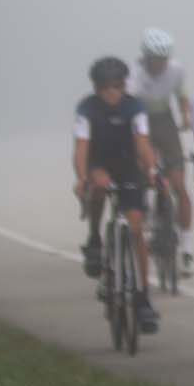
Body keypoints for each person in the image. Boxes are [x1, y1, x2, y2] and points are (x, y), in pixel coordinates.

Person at [73, 55, 160, 334]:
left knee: (136, 229)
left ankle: (143, 296)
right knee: (98, 185)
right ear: (96, 88)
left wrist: (152, 170)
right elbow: (81, 148)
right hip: (99, 163)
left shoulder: (135, 107)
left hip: (128, 166)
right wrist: (82, 178)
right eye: (105, 87)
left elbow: (143, 144)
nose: (111, 92)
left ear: (124, 85)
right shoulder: (86, 108)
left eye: (117, 86)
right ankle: (95, 238)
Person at [128, 27, 194, 275]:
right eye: (155, 60)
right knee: (148, 168)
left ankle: (187, 247)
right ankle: (145, 207)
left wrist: (186, 117)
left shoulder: (176, 70)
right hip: (140, 118)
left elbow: (182, 96)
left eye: (164, 60)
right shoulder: (134, 74)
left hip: (165, 120)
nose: (160, 65)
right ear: (145, 57)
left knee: (179, 184)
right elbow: (131, 108)